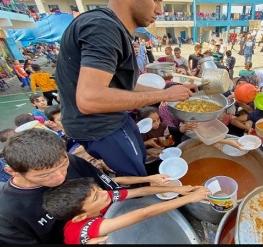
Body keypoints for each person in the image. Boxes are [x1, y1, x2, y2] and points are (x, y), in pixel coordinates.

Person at [55, 0, 193, 178]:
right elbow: (90, 99)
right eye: (156, 0)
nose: (160, 10)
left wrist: (172, 89)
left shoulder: (113, 28)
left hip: (116, 119)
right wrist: (165, 94)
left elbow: (122, 84)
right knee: (136, 178)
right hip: (101, 128)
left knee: (140, 161)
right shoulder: (103, 27)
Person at [0, 129, 170, 244]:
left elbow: (110, 191)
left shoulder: (73, 161)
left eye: (63, 166)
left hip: (118, 226)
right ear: (12, 171)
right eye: (45, 175)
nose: (60, 177)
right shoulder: (1, 217)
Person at [42, 177, 210, 244]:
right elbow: (143, 213)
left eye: (98, 189)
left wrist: (177, 189)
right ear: (81, 217)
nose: (104, 194)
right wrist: (189, 199)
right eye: (96, 198)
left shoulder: (102, 196)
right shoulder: (88, 228)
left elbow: (140, 191)